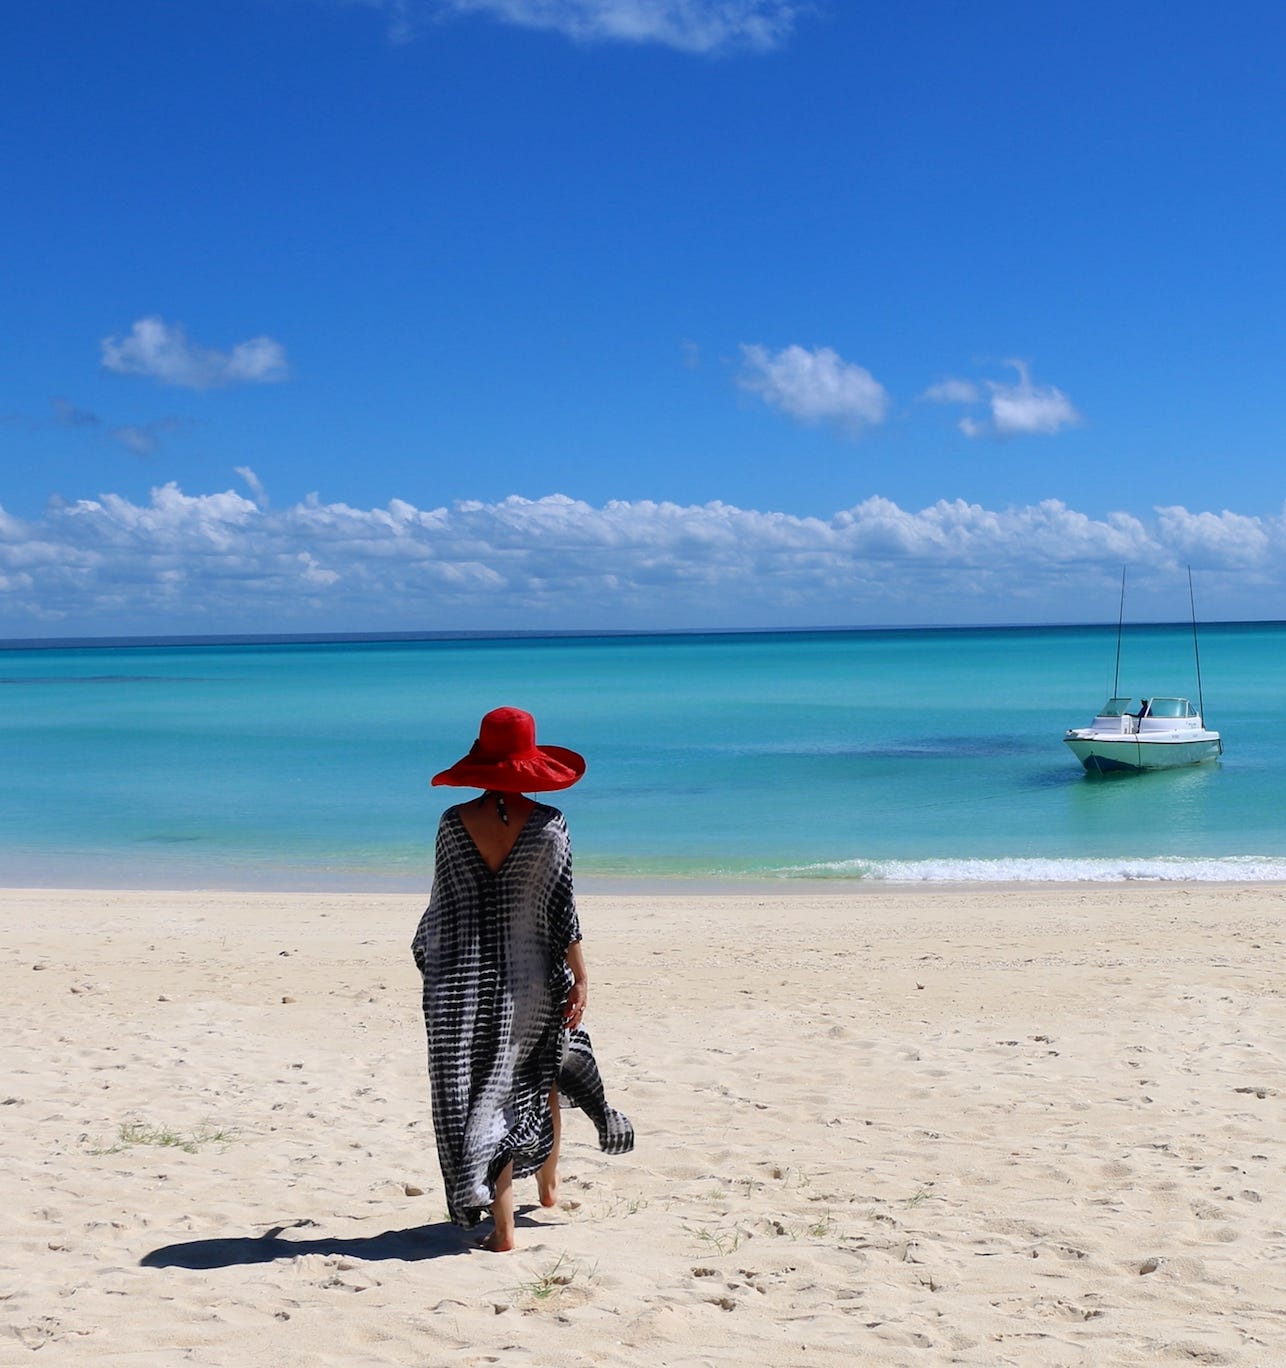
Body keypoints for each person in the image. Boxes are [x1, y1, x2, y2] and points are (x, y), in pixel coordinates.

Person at [412, 706, 633, 1251]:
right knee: (539, 1074)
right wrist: (580, 977)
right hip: (531, 979)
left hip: (461, 984)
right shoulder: (551, 826)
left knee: (485, 1093)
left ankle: (505, 1224)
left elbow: (443, 911)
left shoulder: (452, 824)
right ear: (531, 764)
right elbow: (563, 912)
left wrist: (434, 963)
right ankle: (549, 1185)